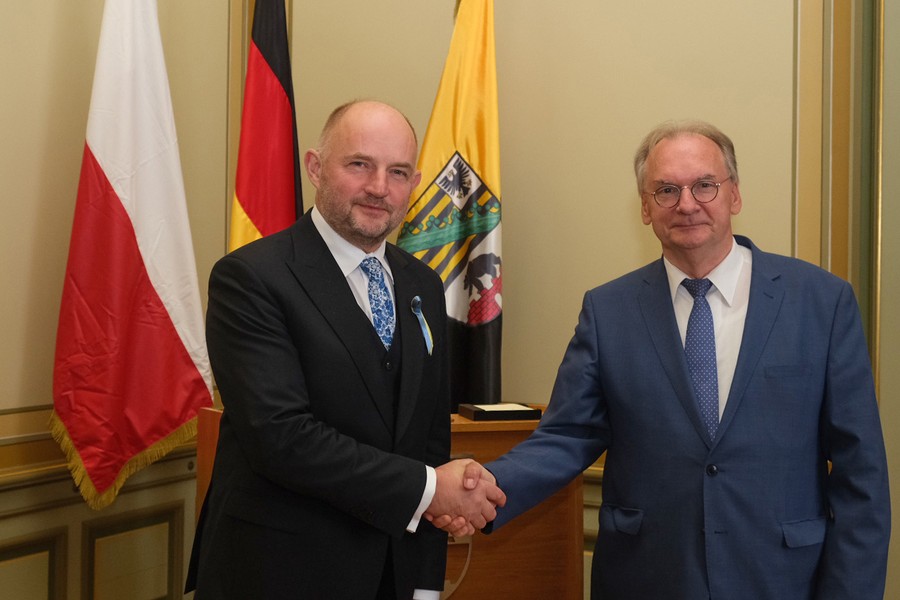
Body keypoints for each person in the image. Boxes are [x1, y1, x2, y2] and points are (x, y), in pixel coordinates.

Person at [433, 120, 891, 599]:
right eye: (667, 190)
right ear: (645, 207)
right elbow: (568, 435)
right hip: (648, 577)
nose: (687, 204)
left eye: (705, 185)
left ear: (734, 194)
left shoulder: (821, 302)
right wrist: (489, 483)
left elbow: (862, 474)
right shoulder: (608, 311)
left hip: (782, 579)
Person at [186, 100, 505, 600]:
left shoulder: (422, 283)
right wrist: (429, 489)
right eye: (359, 164)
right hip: (279, 574)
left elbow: (428, 439)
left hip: (393, 574)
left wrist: (424, 584)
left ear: (415, 183)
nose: (379, 187)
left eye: (397, 172)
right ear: (315, 168)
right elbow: (281, 437)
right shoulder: (251, 278)